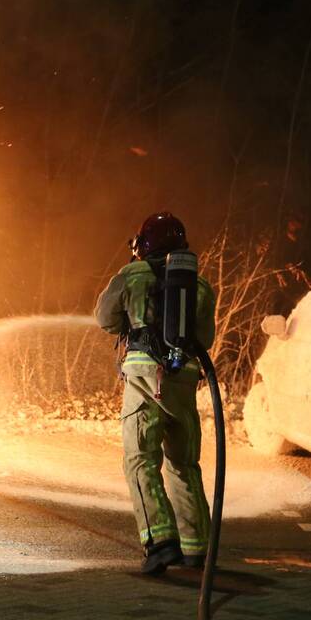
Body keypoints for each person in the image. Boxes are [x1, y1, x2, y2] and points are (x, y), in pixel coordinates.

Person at [94, 211, 216, 574]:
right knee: (183, 463)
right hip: (184, 379)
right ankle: (198, 548)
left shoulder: (131, 275)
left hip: (143, 376)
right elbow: (204, 340)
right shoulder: (201, 286)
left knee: (141, 458)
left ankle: (160, 544)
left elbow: (105, 319)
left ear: (144, 244)